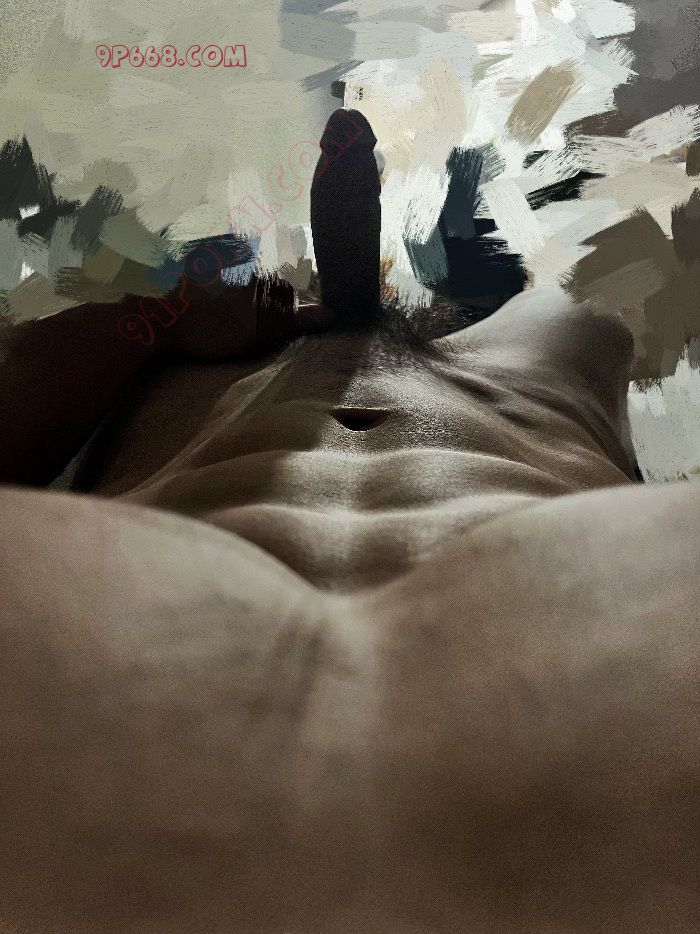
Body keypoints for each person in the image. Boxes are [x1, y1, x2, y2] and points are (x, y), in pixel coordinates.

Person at [0, 111, 697, 934]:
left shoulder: (549, 342)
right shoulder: (190, 362)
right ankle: (356, 300)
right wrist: (168, 319)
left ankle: (357, 300)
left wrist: (169, 318)